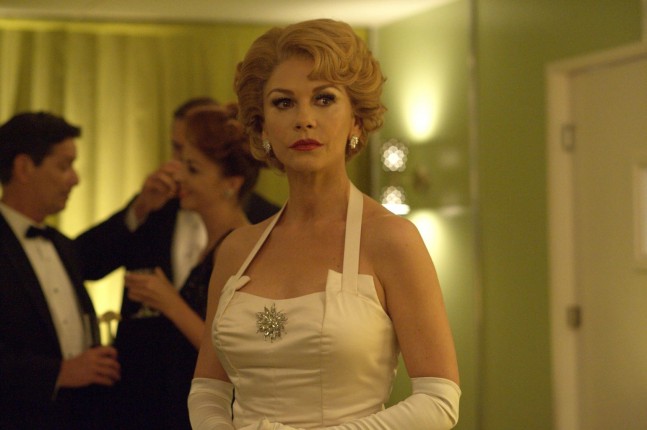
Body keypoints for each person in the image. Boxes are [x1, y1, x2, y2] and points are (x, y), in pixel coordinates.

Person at [189, 18, 461, 430]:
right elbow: (208, 391)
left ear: (356, 120)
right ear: (261, 125)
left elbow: (439, 399)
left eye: (324, 99)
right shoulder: (236, 249)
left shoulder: (391, 239)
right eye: (284, 103)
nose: (304, 119)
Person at [74, 98, 280, 429]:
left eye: (192, 168)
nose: (178, 175)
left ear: (231, 183)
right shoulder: (165, 212)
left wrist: (170, 303)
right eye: (180, 159)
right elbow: (83, 261)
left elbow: (245, 355)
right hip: (155, 405)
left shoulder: (243, 244)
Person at [0, 112, 121, 430]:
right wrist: (58, 373)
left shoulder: (63, 246)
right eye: (64, 166)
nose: (75, 179)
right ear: (24, 167)